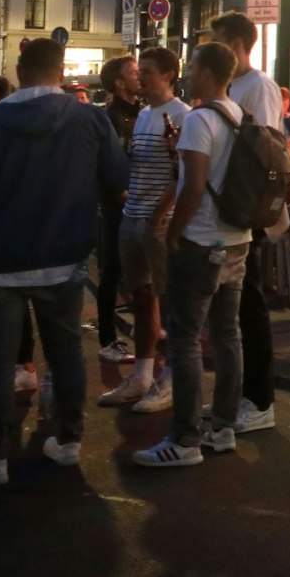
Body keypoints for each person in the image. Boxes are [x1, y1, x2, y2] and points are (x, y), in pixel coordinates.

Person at [0, 38, 127, 485]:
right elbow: (117, 178)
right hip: (64, 257)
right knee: (65, 352)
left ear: (20, 70)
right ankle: (68, 441)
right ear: (61, 71)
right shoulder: (89, 118)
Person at [134, 43, 254, 468]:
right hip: (238, 239)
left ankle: (184, 440)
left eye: (192, 67)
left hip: (202, 240)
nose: (186, 74)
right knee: (227, 334)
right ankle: (223, 426)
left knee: (184, 338)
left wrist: (174, 233)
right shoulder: (241, 116)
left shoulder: (200, 119)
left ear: (205, 72)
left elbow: (193, 185)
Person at [98, 47, 189, 413]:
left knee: (169, 301)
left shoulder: (182, 115)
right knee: (142, 296)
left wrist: (160, 216)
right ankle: (142, 374)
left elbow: (184, 172)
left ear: (168, 75)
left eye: (147, 71)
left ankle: (171, 378)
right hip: (133, 216)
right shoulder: (144, 116)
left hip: (157, 222)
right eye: (140, 72)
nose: (141, 77)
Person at [212, 12, 284, 434]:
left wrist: (252, 211)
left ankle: (260, 399)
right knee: (232, 309)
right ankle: (238, 395)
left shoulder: (258, 86)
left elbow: (267, 151)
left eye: (218, 42)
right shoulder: (233, 86)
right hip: (228, 210)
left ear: (237, 45)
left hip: (246, 212)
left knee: (250, 306)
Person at [92, 55, 141, 364]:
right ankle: (107, 339)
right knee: (111, 271)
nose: (140, 77)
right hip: (117, 206)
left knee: (136, 272)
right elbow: (104, 163)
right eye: (134, 73)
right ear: (119, 83)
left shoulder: (143, 112)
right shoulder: (110, 117)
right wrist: (119, 194)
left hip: (138, 202)